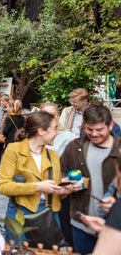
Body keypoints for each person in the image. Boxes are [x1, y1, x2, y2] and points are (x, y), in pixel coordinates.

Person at [0, 111, 71, 243]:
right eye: (55, 129)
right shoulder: (14, 150)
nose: (58, 133)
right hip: (20, 212)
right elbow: (3, 186)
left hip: (48, 215)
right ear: (41, 131)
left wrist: (63, 189)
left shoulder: (53, 155)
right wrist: (37, 187)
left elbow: (55, 187)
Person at [60, 103, 120, 255]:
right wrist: (66, 182)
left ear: (111, 125)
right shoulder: (74, 147)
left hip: (114, 226)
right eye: (89, 129)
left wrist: (116, 202)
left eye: (99, 130)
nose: (94, 134)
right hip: (80, 223)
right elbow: (60, 173)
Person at [40, 101, 77, 246]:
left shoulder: (68, 137)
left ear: (58, 115)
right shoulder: (33, 136)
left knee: (62, 231)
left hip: (60, 190)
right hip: (39, 191)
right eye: (45, 115)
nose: (49, 118)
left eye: (53, 115)